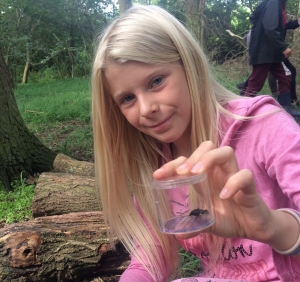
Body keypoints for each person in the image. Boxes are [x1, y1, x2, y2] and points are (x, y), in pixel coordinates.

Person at [91, 5, 300, 282]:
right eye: (127, 98)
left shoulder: (266, 127)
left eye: (156, 81)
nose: (145, 108)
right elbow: (149, 259)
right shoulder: (160, 170)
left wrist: (272, 227)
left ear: (188, 64)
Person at [243, 0, 300, 117]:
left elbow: (280, 26)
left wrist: (296, 23)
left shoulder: (276, 4)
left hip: (272, 52)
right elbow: (270, 28)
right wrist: (283, 47)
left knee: (285, 77)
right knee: (256, 83)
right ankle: (242, 111)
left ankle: (285, 110)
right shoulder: (273, 3)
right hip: (264, 51)